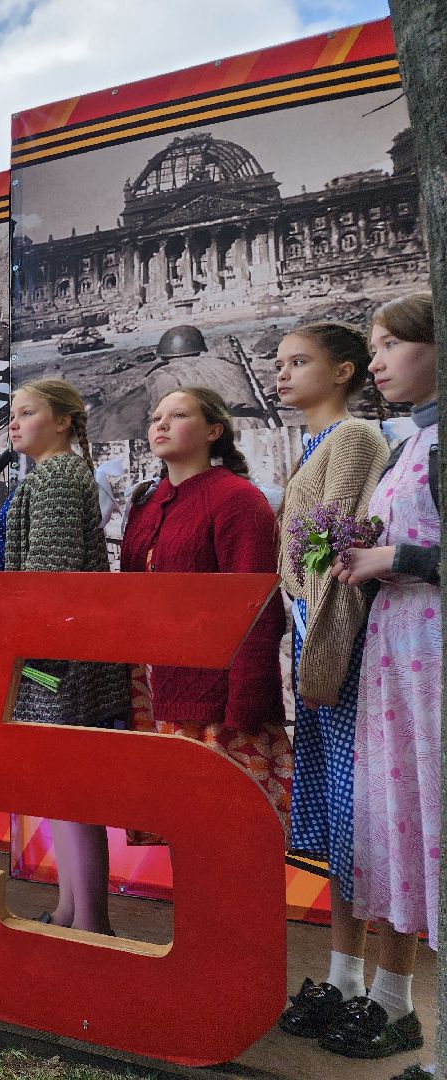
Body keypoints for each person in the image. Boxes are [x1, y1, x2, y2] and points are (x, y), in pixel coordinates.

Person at [318, 292, 438, 1070]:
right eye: (376, 344)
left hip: (433, 654)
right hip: (397, 655)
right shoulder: (408, 444)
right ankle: (396, 1006)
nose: (380, 359)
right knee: (403, 823)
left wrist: (391, 559)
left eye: (395, 343)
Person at [271, 323, 389, 1041]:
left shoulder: (353, 439)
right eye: (279, 364)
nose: (284, 374)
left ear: (345, 370)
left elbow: (331, 549)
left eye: (300, 362)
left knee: (361, 822)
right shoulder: (318, 443)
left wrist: (310, 618)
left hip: (343, 652)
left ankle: (385, 988)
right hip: (319, 647)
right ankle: (345, 977)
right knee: (338, 828)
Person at [119, 388, 291, 856]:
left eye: (178, 415)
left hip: (214, 693)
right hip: (153, 684)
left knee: (225, 830)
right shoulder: (146, 503)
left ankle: (233, 927)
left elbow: (256, 605)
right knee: (180, 825)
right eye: (156, 416)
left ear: (213, 431)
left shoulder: (236, 499)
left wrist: (247, 698)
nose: (161, 424)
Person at [3, 380, 129, 935]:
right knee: (62, 789)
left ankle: (90, 920)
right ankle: (69, 909)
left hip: (55, 660)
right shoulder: (58, 473)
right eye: (13, 413)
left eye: (27, 413)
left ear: (62, 422)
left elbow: (45, 581)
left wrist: (26, 658)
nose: (15, 422)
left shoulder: (55, 476)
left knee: (69, 787)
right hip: (60, 656)